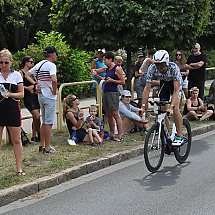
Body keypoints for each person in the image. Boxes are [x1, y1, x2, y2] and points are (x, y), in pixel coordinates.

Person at [142, 50, 184, 146]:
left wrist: (171, 106)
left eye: (161, 64)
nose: (159, 67)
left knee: (175, 109)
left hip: (175, 84)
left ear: (166, 62)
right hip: (164, 84)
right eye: (157, 65)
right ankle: (167, 134)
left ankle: (180, 135)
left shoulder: (173, 68)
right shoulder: (152, 68)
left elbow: (176, 90)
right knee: (162, 109)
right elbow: (147, 89)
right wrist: (143, 106)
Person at [25, 46, 58, 153]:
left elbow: (27, 74)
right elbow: (53, 79)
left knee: (44, 121)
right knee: (48, 122)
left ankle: (42, 145)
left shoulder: (40, 64)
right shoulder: (51, 65)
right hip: (49, 96)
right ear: (53, 54)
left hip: (40, 95)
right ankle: (47, 147)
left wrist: (36, 84)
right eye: (56, 54)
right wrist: (54, 90)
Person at [0, 49, 25, 175]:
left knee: (16, 139)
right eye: (1, 63)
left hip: (12, 108)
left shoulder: (16, 75)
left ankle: (19, 168)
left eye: (6, 62)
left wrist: (10, 94)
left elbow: (21, 94)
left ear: (11, 62)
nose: (3, 65)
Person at [92, 51, 125, 142]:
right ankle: (112, 133)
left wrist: (113, 80)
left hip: (113, 93)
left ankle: (120, 134)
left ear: (110, 59)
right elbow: (98, 70)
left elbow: (122, 82)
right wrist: (95, 72)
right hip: (105, 92)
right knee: (108, 114)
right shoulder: (107, 69)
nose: (104, 61)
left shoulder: (117, 69)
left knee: (115, 114)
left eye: (105, 60)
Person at [19, 56, 41, 142]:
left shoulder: (33, 72)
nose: (32, 64)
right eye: (31, 62)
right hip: (28, 96)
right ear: (26, 62)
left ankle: (35, 135)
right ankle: (38, 133)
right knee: (36, 115)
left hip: (35, 95)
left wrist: (34, 86)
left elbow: (37, 83)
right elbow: (18, 84)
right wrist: (26, 88)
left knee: (36, 118)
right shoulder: (20, 72)